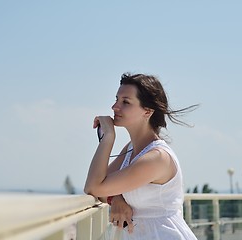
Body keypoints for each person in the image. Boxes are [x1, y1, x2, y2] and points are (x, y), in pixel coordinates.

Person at [84, 73, 198, 239]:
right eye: (117, 99)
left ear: (147, 111)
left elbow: (93, 187)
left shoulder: (157, 157)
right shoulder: (131, 149)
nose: (115, 107)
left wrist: (108, 138)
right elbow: (98, 187)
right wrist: (115, 198)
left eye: (126, 102)